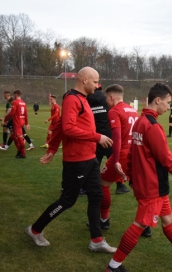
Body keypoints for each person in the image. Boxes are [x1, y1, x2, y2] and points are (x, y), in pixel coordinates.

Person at [104, 83, 172, 272]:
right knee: (140, 224)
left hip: (150, 184)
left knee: (168, 219)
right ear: (157, 100)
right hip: (153, 186)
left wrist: (132, 177)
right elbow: (167, 160)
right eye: (168, 102)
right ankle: (113, 266)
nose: (169, 107)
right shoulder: (152, 126)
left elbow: (133, 155)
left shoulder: (140, 122)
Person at [25, 66, 117, 254]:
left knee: (96, 196)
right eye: (94, 81)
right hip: (77, 161)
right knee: (67, 200)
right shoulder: (72, 99)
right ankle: (35, 230)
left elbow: (59, 126)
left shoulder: (83, 99)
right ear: (84, 80)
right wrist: (97, 136)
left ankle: (97, 240)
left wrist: (51, 148)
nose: (97, 85)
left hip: (90, 159)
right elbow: (66, 128)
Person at [99, 84, 138, 230]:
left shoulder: (115, 111)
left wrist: (115, 160)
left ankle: (104, 220)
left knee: (102, 184)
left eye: (106, 99)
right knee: (137, 187)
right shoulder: (133, 110)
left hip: (122, 153)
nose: (106, 103)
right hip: (134, 153)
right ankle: (145, 224)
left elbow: (117, 138)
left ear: (111, 97)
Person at [87, 84, 130, 195]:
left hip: (99, 137)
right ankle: (120, 185)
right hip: (116, 141)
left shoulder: (88, 98)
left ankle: (88, 187)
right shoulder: (130, 109)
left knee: (95, 166)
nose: (105, 101)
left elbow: (117, 136)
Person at [2, 89, 31, 158]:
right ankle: (19, 151)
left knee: (19, 138)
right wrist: (26, 123)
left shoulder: (15, 102)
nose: (13, 96)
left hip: (17, 122)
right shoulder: (23, 103)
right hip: (22, 122)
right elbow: (26, 114)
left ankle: (23, 153)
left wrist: (6, 121)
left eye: (14, 94)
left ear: (16, 94)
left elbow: (12, 113)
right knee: (13, 136)